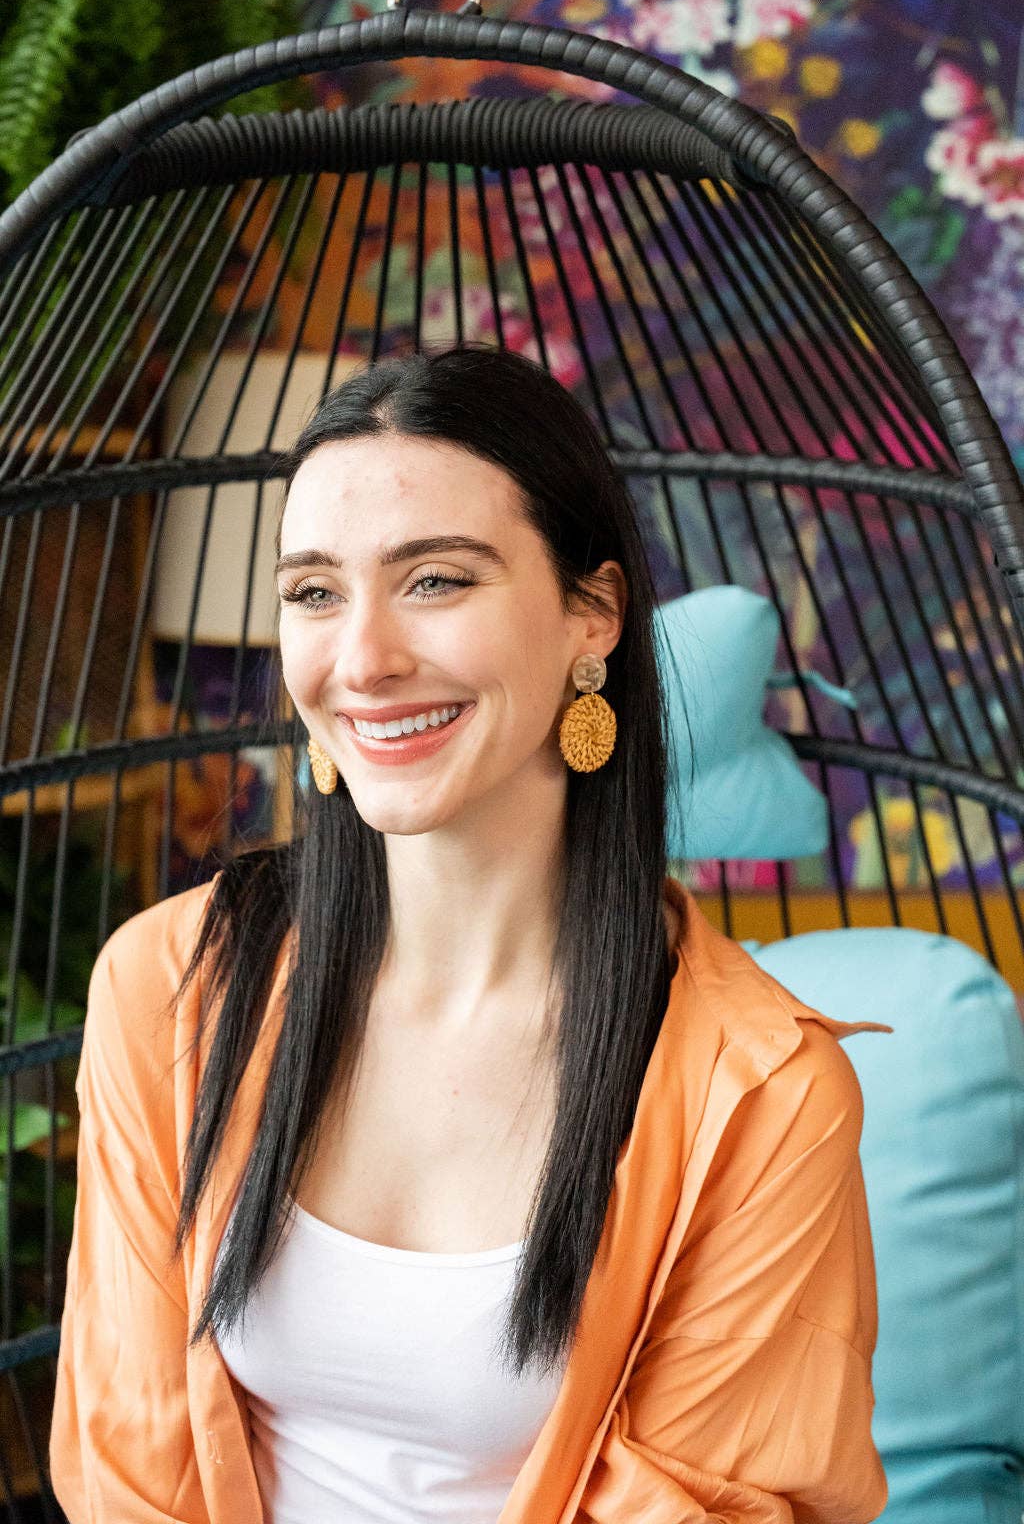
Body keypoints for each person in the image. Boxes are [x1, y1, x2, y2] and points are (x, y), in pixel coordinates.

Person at [49, 344, 890, 1523]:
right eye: (314, 592)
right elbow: (128, 1467)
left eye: (435, 580)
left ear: (593, 616)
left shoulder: (760, 1096)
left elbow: (714, 1503)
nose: (363, 661)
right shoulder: (170, 987)